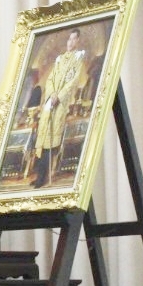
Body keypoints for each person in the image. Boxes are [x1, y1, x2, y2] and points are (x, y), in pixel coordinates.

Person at [31, 28, 86, 187]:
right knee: (42, 133)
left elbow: (73, 82)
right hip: (51, 98)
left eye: (74, 39)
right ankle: (38, 173)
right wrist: (53, 93)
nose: (70, 42)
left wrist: (59, 96)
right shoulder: (60, 59)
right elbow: (50, 79)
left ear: (78, 41)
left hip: (61, 102)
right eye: (69, 39)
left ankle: (44, 176)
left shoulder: (78, 58)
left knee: (51, 137)